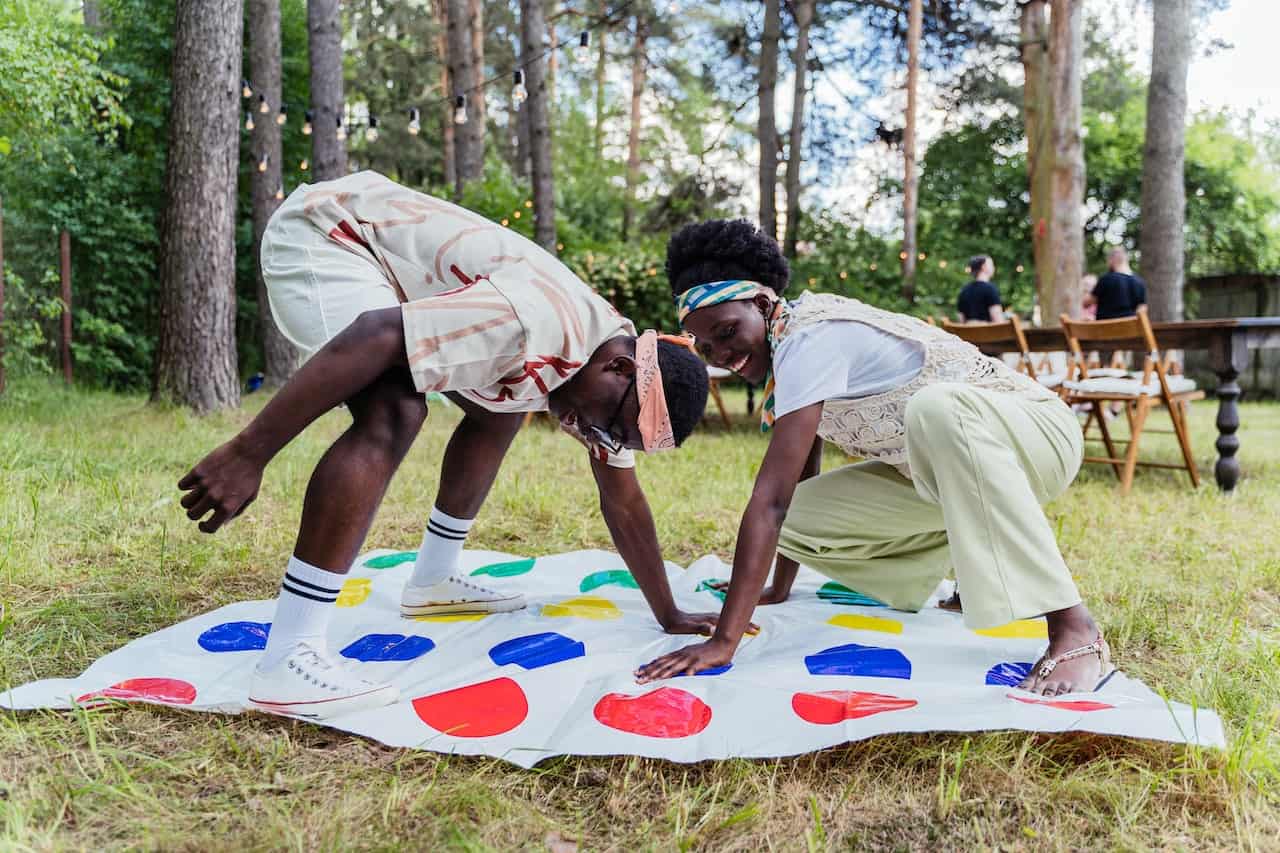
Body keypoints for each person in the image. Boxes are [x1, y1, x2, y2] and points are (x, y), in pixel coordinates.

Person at [179, 172, 715, 719]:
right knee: (395, 411)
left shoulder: (611, 372)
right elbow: (374, 336)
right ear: (619, 368)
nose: (594, 437)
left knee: (503, 407)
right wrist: (250, 453)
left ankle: (432, 579)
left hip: (396, 276)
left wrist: (669, 612)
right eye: (608, 427)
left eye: (614, 439)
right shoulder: (533, 326)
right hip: (328, 233)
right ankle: (288, 657)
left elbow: (622, 499)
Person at [635, 220, 1114, 697]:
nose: (723, 354)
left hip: (1040, 436)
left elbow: (769, 502)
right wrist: (777, 589)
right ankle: (968, 575)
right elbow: (798, 478)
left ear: (762, 303)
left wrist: (724, 640)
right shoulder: (787, 351)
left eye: (727, 331)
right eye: (708, 346)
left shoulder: (808, 338)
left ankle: (1074, 626)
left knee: (938, 408)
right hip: (949, 476)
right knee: (801, 517)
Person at [1085, 247, 1146, 320]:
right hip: (1129, 329)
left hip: (1105, 329)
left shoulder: (1106, 279)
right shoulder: (1139, 282)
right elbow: (1142, 309)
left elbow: (1086, 303)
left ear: (1111, 260)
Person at [955, 255, 1003, 323]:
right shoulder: (990, 289)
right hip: (989, 333)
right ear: (983, 267)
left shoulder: (964, 291)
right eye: (991, 265)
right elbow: (998, 321)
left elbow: (961, 320)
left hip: (969, 333)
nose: (994, 268)